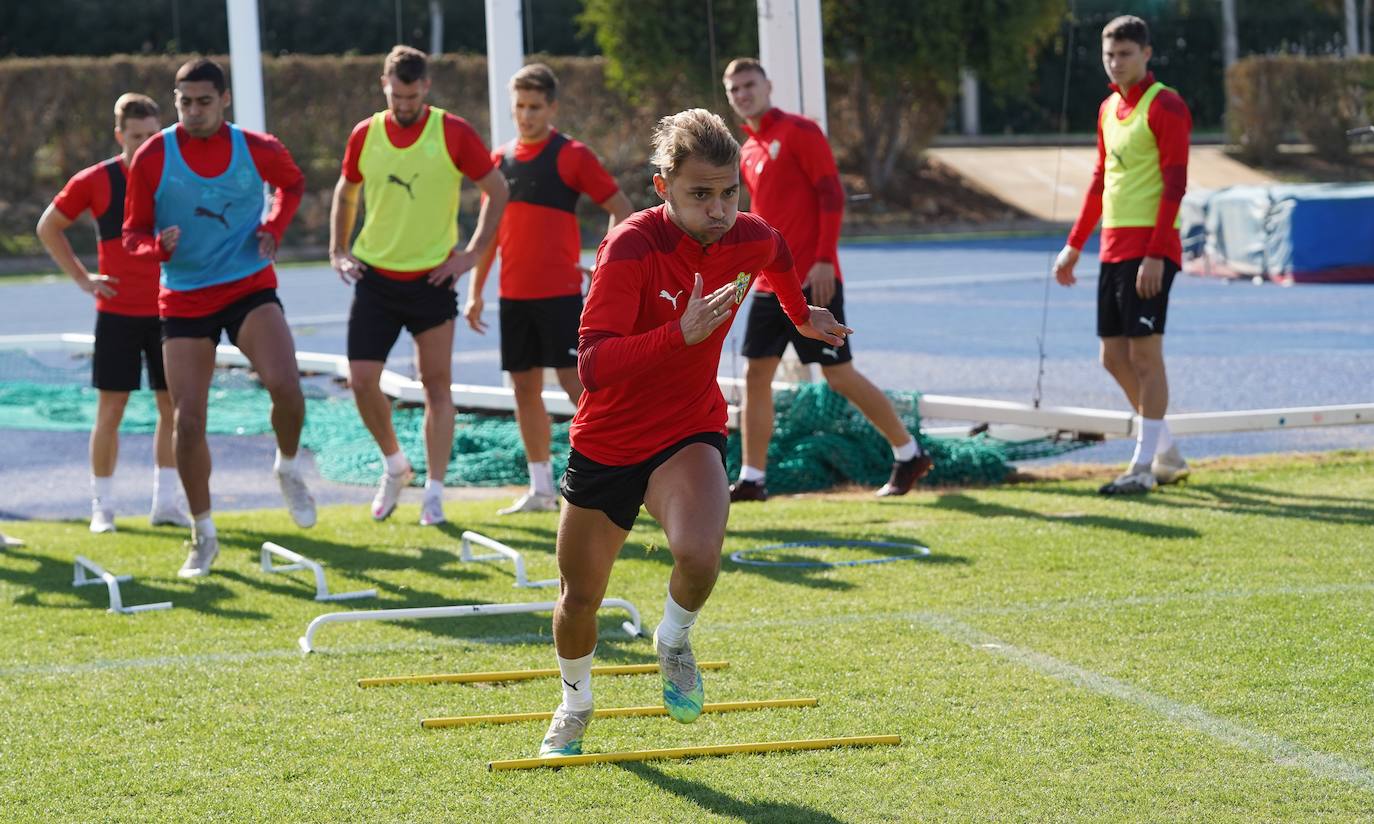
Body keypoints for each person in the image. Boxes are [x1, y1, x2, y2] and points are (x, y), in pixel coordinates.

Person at [538, 109, 851, 757]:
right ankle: (575, 704)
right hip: (609, 440)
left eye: (729, 192)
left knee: (701, 556)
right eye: (700, 195)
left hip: (688, 428)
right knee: (579, 599)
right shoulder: (630, 245)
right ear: (664, 189)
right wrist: (677, 335)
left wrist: (801, 314)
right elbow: (592, 364)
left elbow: (779, 253)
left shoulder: (750, 235)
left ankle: (673, 640)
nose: (719, 209)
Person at [124, 58, 316, 578]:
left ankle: (289, 465)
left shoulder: (257, 148)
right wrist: (155, 249)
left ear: (224, 100)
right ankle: (203, 533)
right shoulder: (153, 156)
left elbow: (292, 185)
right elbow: (132, 232)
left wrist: (275, 223)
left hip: (248, 286)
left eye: (203, 101)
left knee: (287, 387)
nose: (192, 111)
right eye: (184, 101)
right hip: (185, 297)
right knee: (187, 420)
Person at [722, 58, 931, 502]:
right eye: (734, 89)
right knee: (755, 375)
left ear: (767, 85)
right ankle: (753, 478)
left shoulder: (800, 131)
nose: (743, 95)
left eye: (749, 85)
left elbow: (831, 195)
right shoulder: (748, 150)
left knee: (838, 375)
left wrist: (823, 261)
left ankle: (909, 452)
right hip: (768, 283)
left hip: (813, 280)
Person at [330, 45, 510, 526]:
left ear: (425, 88)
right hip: (374, 277)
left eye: (411, 96)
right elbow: (346, 191)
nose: (403, 104)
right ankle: (394, 466)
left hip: (432, 279)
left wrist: (471, 253)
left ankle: (434, 491)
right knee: (362, 381)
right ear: (383, 85)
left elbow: (497, 188)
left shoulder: (452, 131)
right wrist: (337, 247)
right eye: (396, 95)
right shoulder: (365, 134)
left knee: (437, 387)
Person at [464, 63, 633, 515]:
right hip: (513, 296)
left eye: (535, 106)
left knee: (574, 383)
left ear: (552, 107)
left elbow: (622, 209)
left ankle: (621, 468)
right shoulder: (498, 162)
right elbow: (489, 233)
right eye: (519, 106)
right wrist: (477, 292)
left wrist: (606, 265)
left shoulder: (572, 155)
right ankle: (540, 488)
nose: (526, 115)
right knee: (523, 387)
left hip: (559, 294)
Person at [36, 93, 189, 533]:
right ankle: (102, 506)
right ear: (119, 135)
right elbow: (48, 226)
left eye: (152, 136)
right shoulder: (97, 180)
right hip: (118, 312)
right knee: (111, 409)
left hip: (170, 310)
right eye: (135, 136)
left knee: (172, 408)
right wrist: (84, 279)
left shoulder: (174, 175)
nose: (144, 145)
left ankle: (165, 502)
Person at [1053, 15, 1193, 495]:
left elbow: (1175, 183)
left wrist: (1156, 254)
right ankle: (1167, 450)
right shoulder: (1108, 108)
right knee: (1113, 356)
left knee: (1145, 356)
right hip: (1113, 247)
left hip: (1152, 249)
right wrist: (1074, 245)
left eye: (1126, 54)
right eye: (1109, 55)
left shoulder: (1166, 106)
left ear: (1147, 54)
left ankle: (1142, 465)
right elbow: (1099, 181)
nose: (1115, 63)